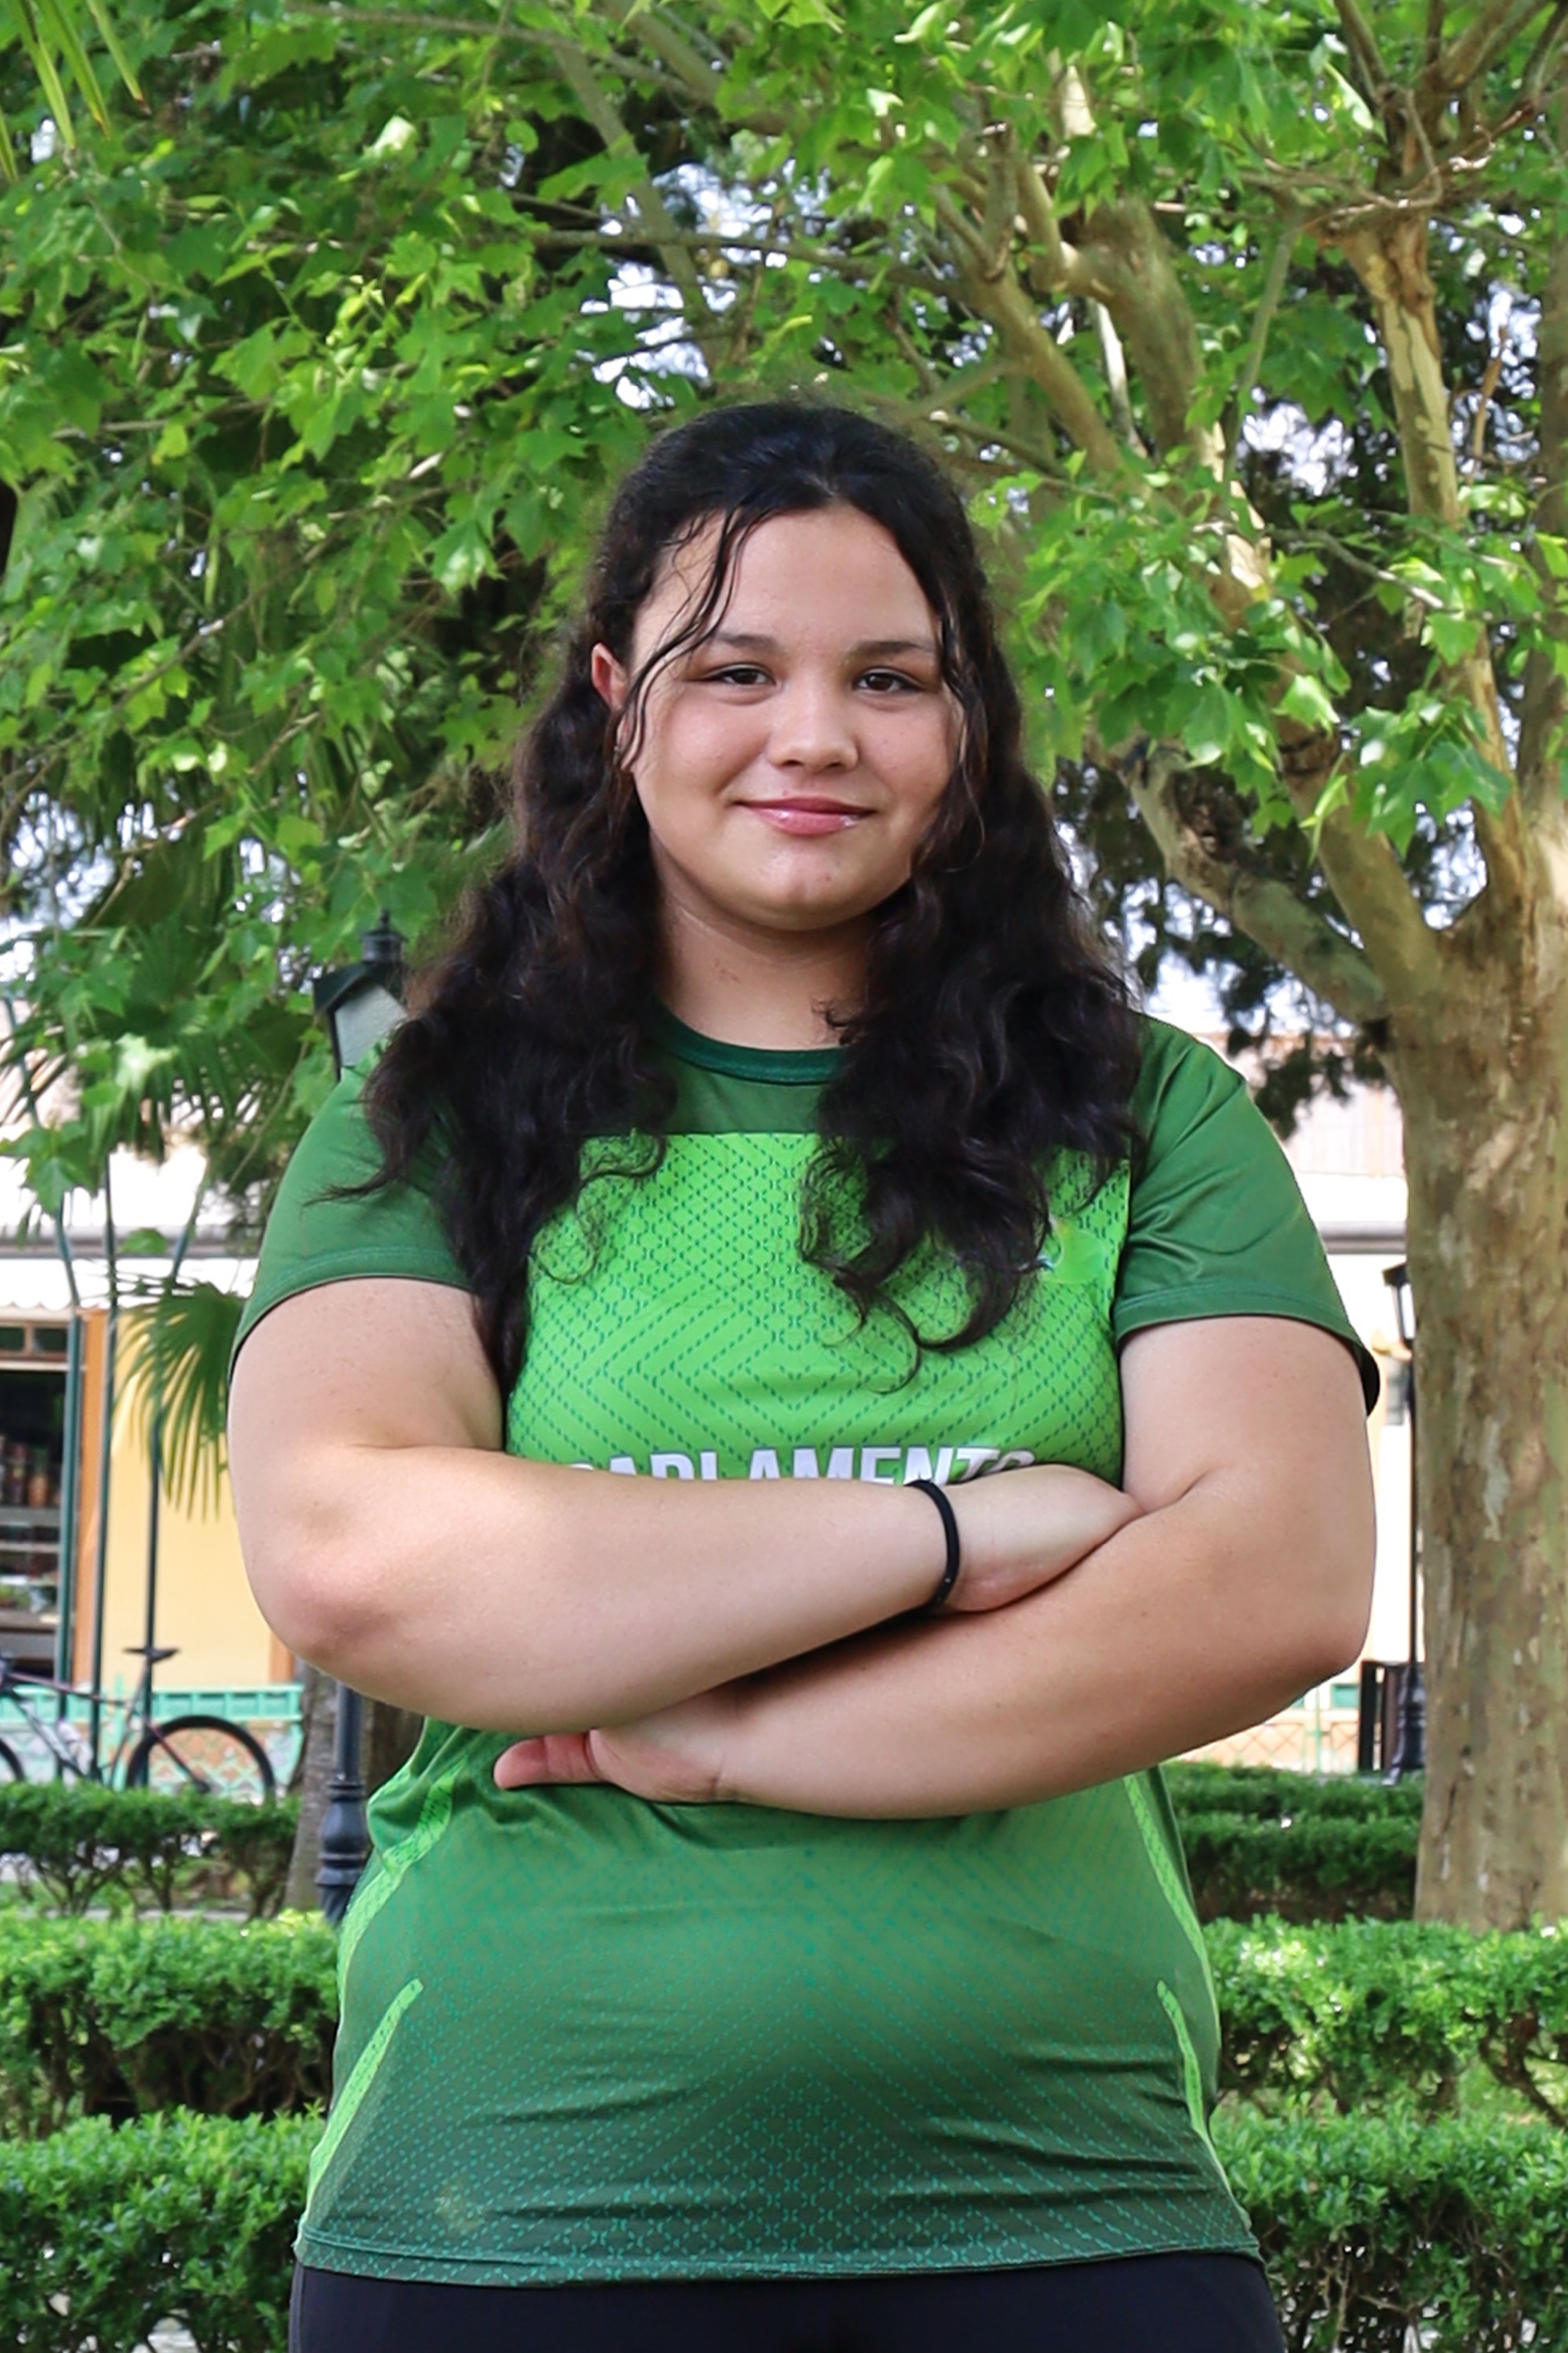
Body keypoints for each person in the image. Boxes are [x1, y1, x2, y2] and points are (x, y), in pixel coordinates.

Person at [228, 401, 1377, 2353]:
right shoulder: (433, 1119)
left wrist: (720, 1739)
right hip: (506, 2210)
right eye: (736, 670)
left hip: (1068, 2203)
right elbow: (354, 1552)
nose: (816, 735)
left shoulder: (1148, 1118)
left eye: (890, 678)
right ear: (620, 704)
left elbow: (1273, 1582)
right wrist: (952, 1534)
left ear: (967, 722)